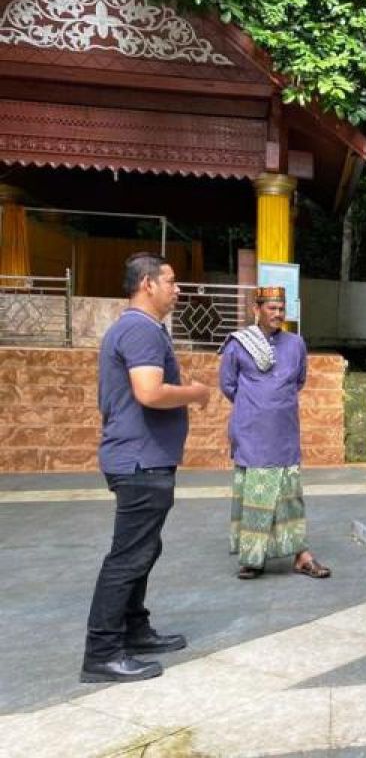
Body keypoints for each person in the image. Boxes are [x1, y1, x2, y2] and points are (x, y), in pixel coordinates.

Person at [81, 253, 211, 683]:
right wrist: (194, 392)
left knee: (143, 550)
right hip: (139, 461)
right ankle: (102, 652)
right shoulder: (139, 329)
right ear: (147, 284)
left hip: (143, 458)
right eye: (171, 281)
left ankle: (134, 630)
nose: (177, 289)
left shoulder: (139, 328)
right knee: (128, 556)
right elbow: (150, 393)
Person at [220, 287, 330, 580]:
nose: (278, 314)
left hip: (284, 432)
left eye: (281, 309)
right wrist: (256, 405)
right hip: (252, 431)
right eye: (272, 308)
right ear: (257, 309)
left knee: (289, 495)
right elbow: (228, 385)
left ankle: (301, 555)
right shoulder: (238, 344)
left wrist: (274, 403)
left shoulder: (296, 344)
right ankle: (252, 558)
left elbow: (299, 380)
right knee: (255, 493)